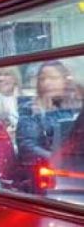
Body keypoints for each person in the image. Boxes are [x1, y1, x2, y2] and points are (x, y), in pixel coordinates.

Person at [16, 60, 78, 191]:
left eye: (53, 78)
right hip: (45, 176)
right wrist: (58, 160)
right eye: (42, 79)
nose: (46, 83)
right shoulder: (30, 110)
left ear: (65, 81)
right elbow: (27, 147)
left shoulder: (75, 106)